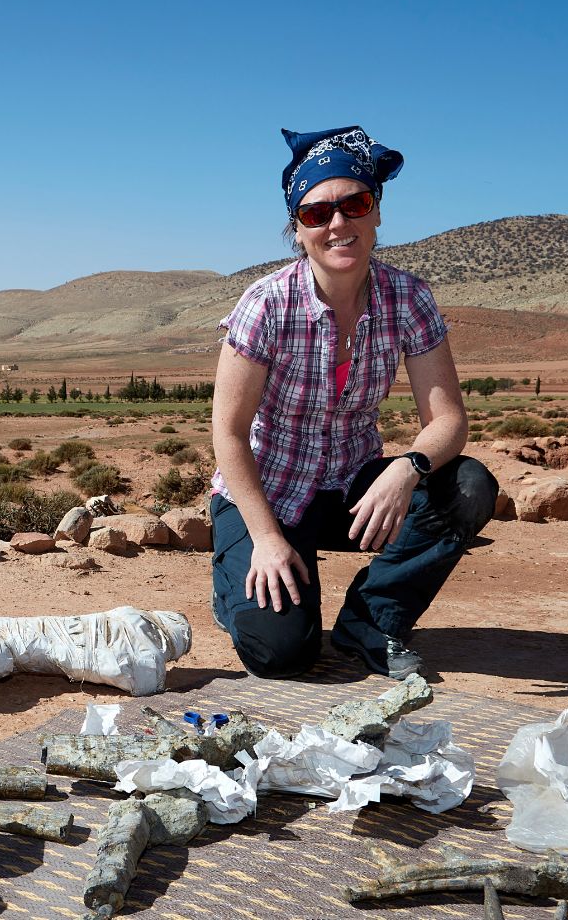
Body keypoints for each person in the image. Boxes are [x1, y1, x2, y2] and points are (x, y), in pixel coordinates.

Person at [209, 125, 497, 680]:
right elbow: (229, 432)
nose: (338, 224)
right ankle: (241, 576)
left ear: (377, 212)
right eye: (317, 214)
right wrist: (267, 540)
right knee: (280, 652)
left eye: (354, 204)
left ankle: (370, 622)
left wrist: (408, 469)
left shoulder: (407, 297)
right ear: (298, 230)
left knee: (468, 485)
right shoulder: (266, 305)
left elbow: (448, 420)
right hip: (267, 495)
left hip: (352, 489)